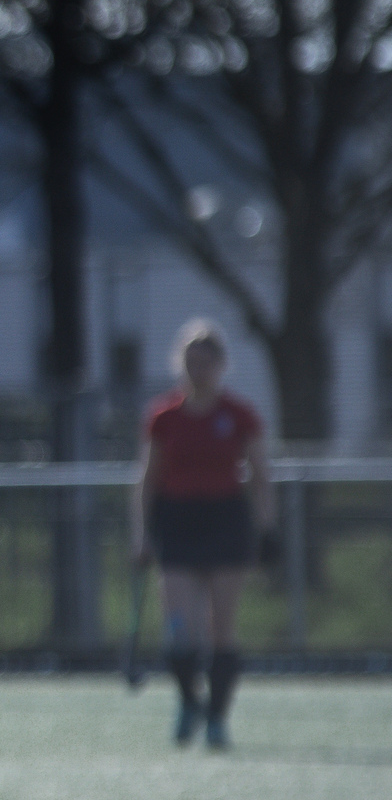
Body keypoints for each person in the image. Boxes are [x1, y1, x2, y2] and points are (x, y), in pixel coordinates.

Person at [134, 319, 276, 750]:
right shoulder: (163, 416)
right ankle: (187, 701)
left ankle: (217, 718)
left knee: (221, 630)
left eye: (206, 362)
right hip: (178, 523)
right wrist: (140, 534)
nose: (198, 370)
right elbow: (147, 479)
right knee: (180, 630)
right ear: (180, 364)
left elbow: (260, 477)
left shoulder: (239, 415)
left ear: (220, 366)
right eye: (190, 362)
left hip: (224, 522)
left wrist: (266, 528)